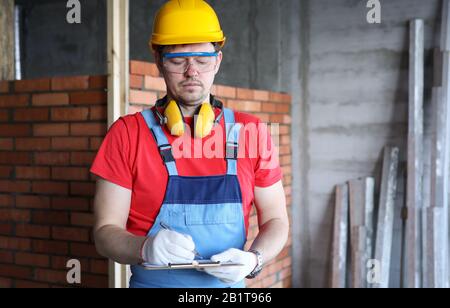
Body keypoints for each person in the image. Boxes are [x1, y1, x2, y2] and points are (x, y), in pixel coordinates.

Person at [91, 0, 289, 288]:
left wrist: (255, 259)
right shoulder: (126, 134)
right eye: (177, 60)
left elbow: (277, 220)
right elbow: (104, 232)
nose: (191, 71)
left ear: (218, 61)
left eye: (202, 59)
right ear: (159, 61)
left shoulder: (251, 131)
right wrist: (144, 248)